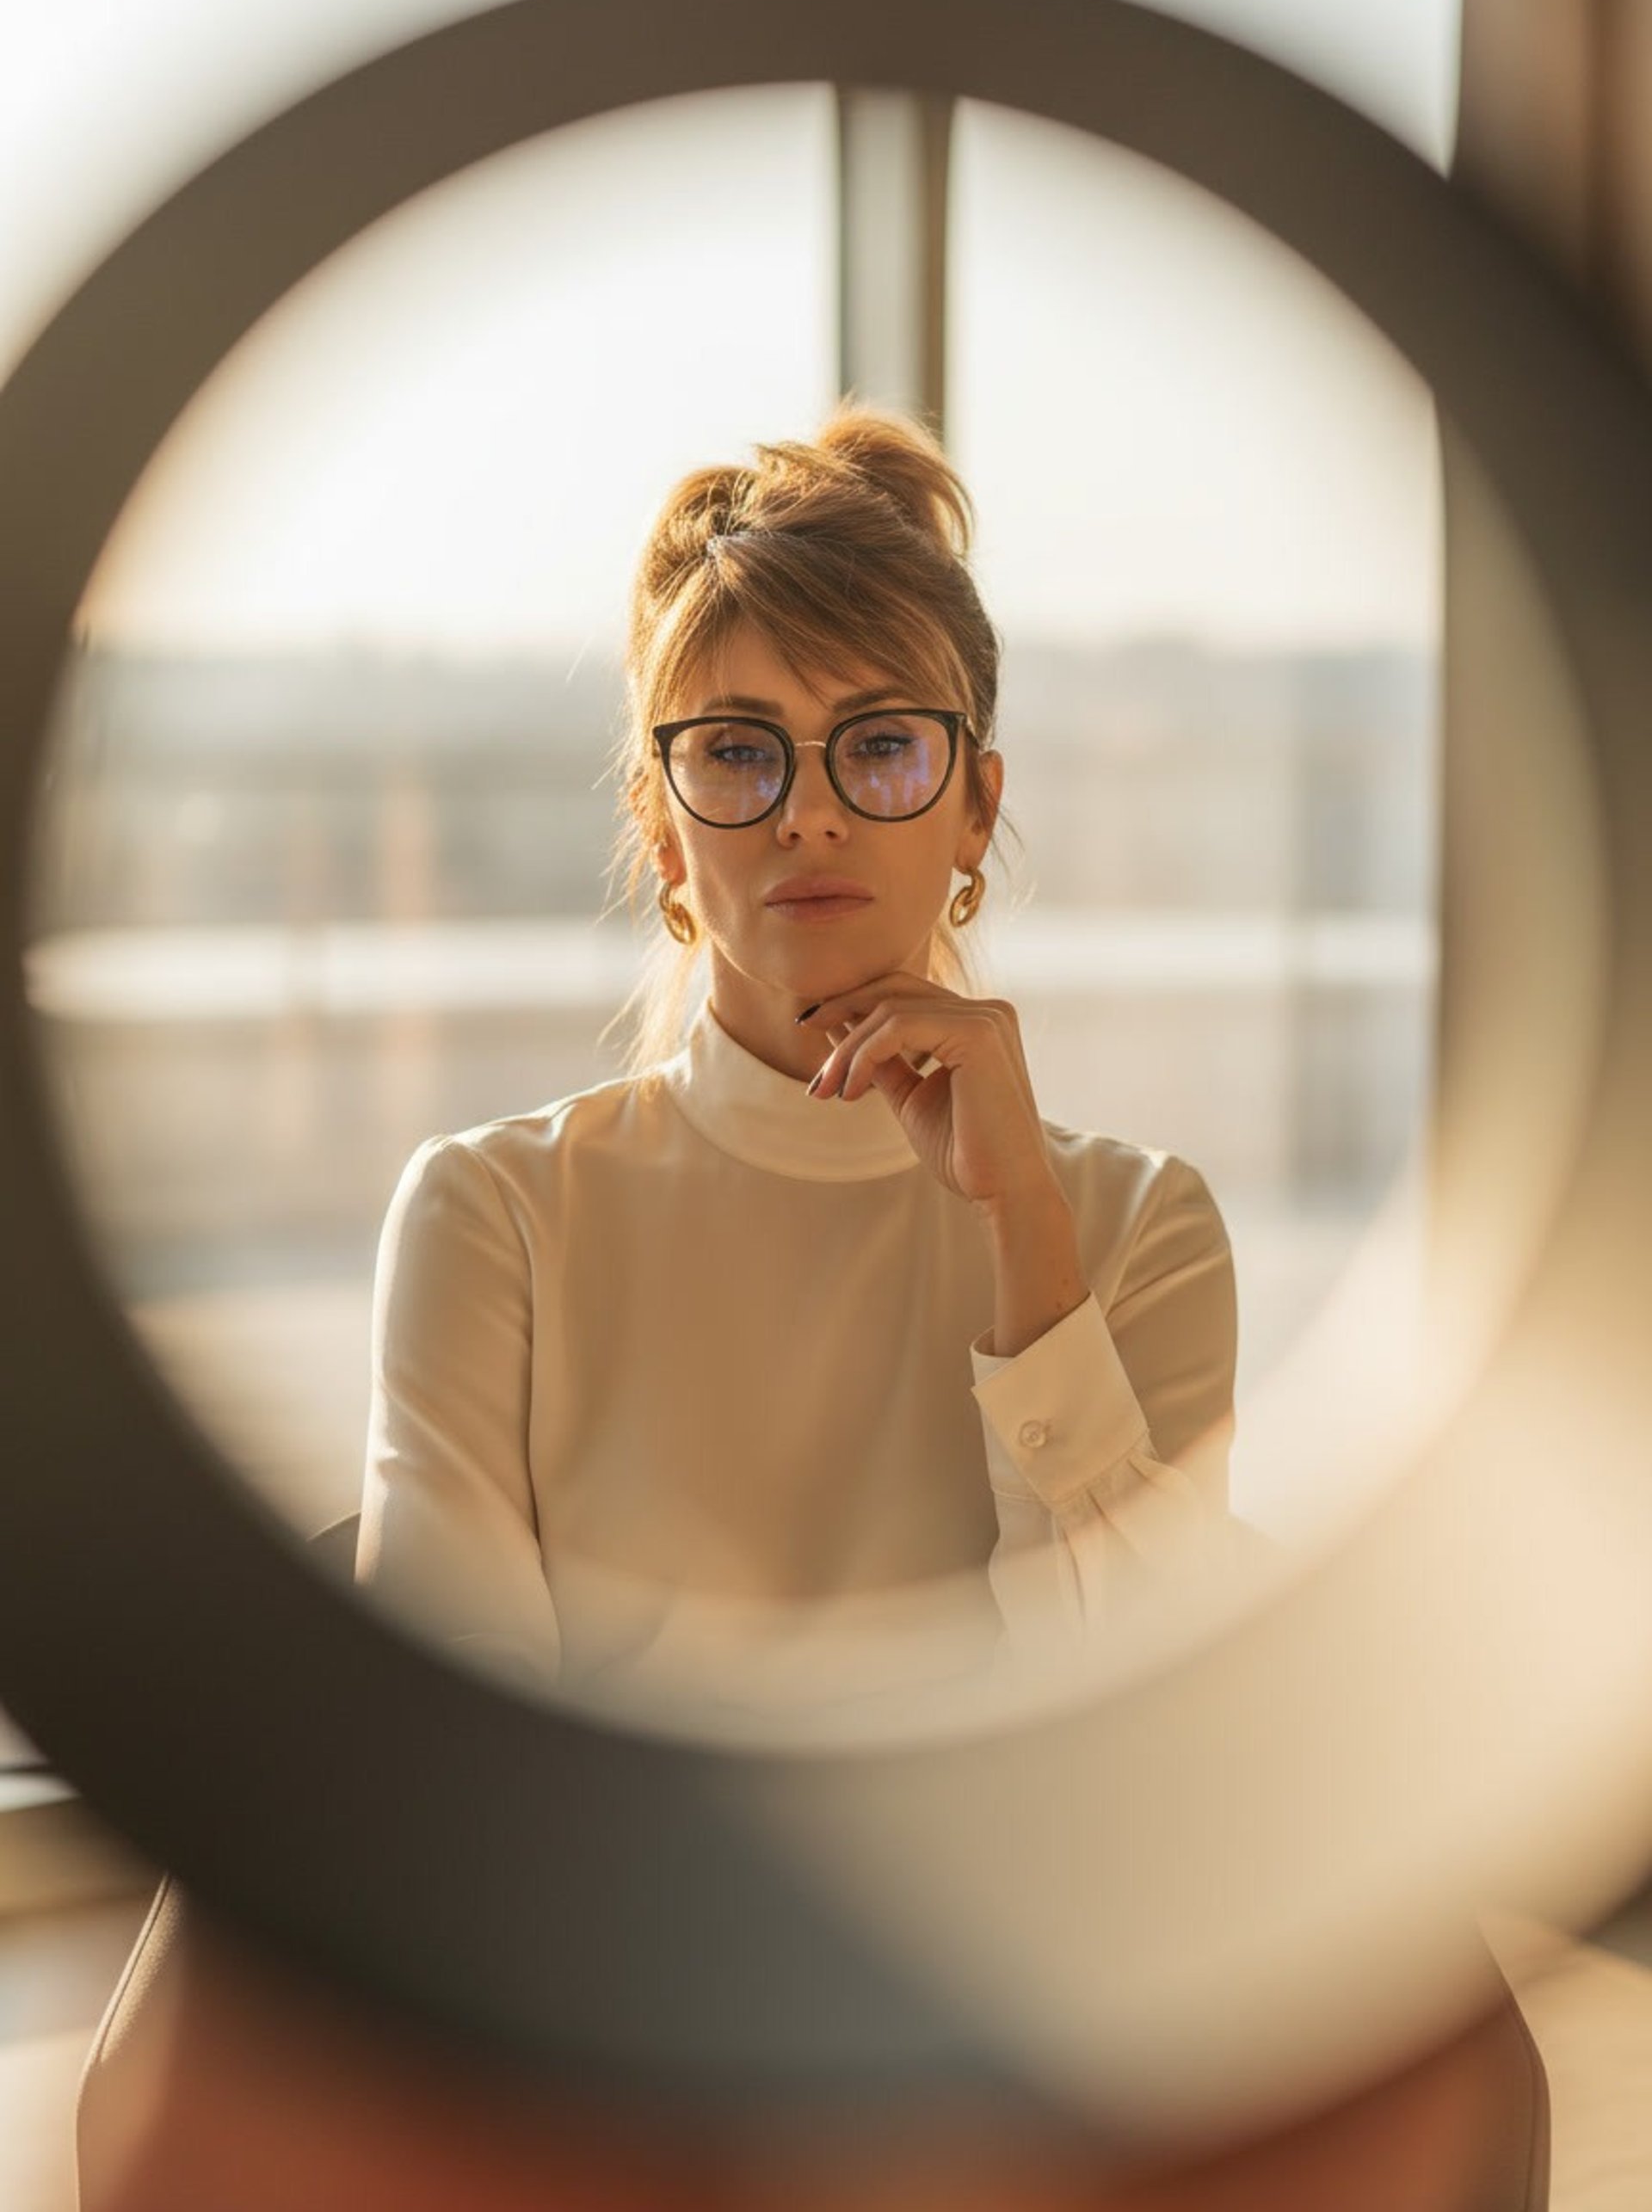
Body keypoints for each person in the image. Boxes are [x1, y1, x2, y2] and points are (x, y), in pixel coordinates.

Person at [354, 399, 1239, 1740]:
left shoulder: (1143, 1229)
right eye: (738, 753)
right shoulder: (494, 1216)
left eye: (882, 744)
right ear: (660, 834)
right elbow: (443, 1768)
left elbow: (1166, 1741)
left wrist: (1028, 1240)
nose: (809, 811)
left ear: (976, 810)